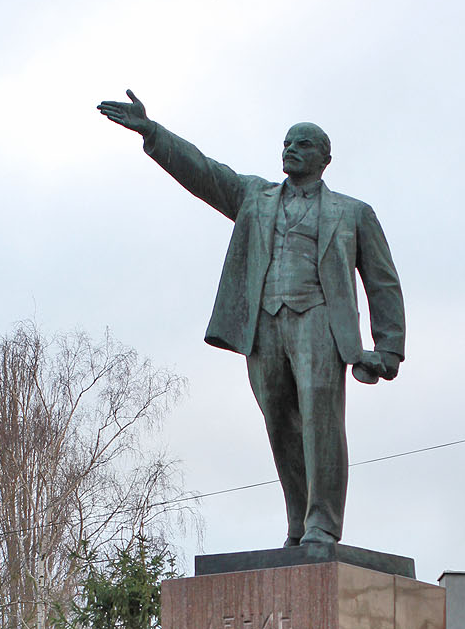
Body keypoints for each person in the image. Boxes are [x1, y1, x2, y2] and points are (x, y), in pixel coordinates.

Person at [97, 90, 405, 545]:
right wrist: (153, 132)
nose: (290, 149)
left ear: (325, 158)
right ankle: (299, 522)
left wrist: (389, 348)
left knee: (320, 414)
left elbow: (382, 281)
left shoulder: (353, 213)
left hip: (319, 321)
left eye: (301, 144)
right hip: (263, 325)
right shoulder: (254, 198)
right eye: (286, 143)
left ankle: (323, 522)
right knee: (280, 423)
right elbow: (205, 173)